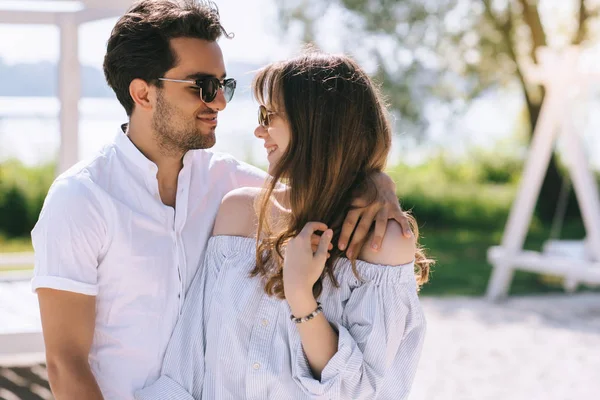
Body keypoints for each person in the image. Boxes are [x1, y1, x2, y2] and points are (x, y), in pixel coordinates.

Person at [30, 1, 409, 399]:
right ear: (143, 93)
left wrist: (375, 182)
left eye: (223, 85)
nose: (221, 103)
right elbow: (65, 362)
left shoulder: (234, 189)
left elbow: (316, 184)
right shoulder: (81, 199)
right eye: (203, 87)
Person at [136, 51, 431, 400]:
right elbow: (188, 362)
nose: (258, 130)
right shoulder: (239, 212)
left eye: (269, 115)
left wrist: (301, 295)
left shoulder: (381, 240)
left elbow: (362, 391)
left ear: (317, 122)